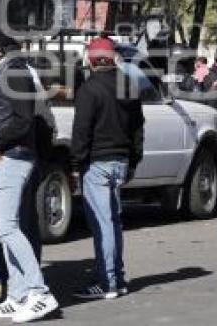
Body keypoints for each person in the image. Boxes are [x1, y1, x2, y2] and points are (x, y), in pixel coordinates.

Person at [0, 25, 59, 322]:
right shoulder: (3, 72)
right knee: (4, 227)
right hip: (3, 156)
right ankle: (19, 294)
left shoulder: (15, 72)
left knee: (7, 228)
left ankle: (39, 292)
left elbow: (22, 120)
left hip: (13, 155)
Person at [70, 37, 144, 299]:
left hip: (97, 163)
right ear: (113, 58)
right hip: (121, 161)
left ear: (90, 61)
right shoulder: (129, 85)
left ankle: (108, 281)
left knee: (103, 225)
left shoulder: (89, 90)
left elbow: (81, 132)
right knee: (113, 222)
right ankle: (117, 277)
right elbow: (137, 128)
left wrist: (76, 164)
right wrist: (134, 160)